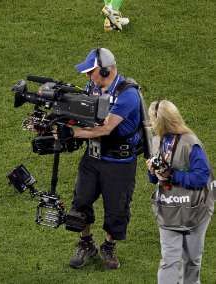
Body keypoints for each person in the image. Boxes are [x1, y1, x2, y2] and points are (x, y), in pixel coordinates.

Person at [68, 48, 142, 269]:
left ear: (104, 70)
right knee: (80, 202)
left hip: (119, 163)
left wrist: (72, 133)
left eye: (90, 71)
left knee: (117, 209)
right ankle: (86, 243)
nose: (87, 76)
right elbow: (84, 114)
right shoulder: (93, 86)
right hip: (93, 156)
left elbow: (106, 128)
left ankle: (108, 246)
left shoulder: (128, 94)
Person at [146, 100, 213, 284]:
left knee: (192, 260)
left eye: (152, 118)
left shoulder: (191, 143)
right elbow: (154, 179)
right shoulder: (156, 140)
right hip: (169, 209)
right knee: (169, 260)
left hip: (195, 210)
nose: (150, 123)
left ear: (162, 120)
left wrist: (172, 175)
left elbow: (201, 178)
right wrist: (153, 172)